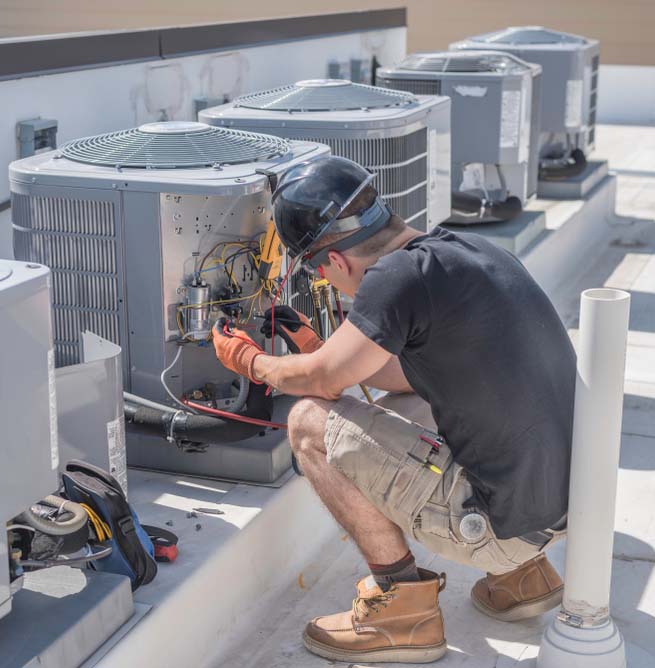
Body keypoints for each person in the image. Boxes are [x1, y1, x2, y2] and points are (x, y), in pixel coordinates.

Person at [211, 156, 575, 664]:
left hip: (500, 529)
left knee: (311, 425)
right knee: (408, 399)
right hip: (556, 515)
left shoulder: (395, 279)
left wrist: (253, 361)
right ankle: (523, 575)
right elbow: (411, 374)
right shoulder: (464, 251)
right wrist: (323, 350)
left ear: (333, 262)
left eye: (317, 273)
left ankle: (401, 610)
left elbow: (321, 384)